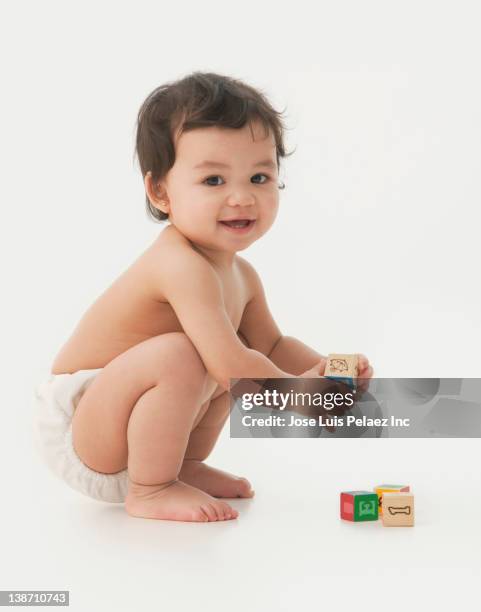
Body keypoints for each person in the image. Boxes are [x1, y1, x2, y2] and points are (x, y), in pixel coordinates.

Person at [34, 71, 373, 522]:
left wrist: (328, 375)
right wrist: (297, 394)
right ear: (161, 191)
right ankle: (151, 489)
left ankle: (184, 466)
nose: (241, 198)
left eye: (258, 177)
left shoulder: (242, 275)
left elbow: (272, 348)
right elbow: (230, 365)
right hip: (84, 425)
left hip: (142, 428)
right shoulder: (180, 264)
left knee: (236, 355)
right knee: (202, 356)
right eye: (214, 181)